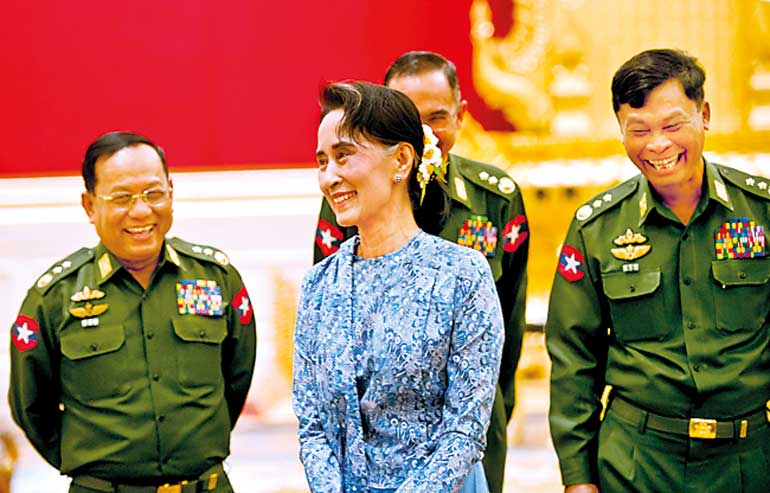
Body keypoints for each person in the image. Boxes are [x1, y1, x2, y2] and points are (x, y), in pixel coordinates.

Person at [546, 48, 770, 493]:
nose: (658, 145)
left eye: (673, 125)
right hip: (636, 462)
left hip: (747, 460)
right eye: (639, 130)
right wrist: (577, 479)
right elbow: (573, 359)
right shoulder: (597, 228)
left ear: (704, 115)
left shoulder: (761, 212)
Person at [312, 52, 528, 493]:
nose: (426, 131)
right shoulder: (328, 258)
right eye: (322, 160)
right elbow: (316, 407)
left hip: (464, 443)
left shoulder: (475, 246)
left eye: (436, 117)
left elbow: (507, 334)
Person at [9, 131, 257, 492]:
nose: (141, 211)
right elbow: (30, 405)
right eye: (122, 197)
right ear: (90, 205)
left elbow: (237, 379)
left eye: (154, 194)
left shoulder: (216, 279)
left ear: (171, 192)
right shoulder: (54, 296)